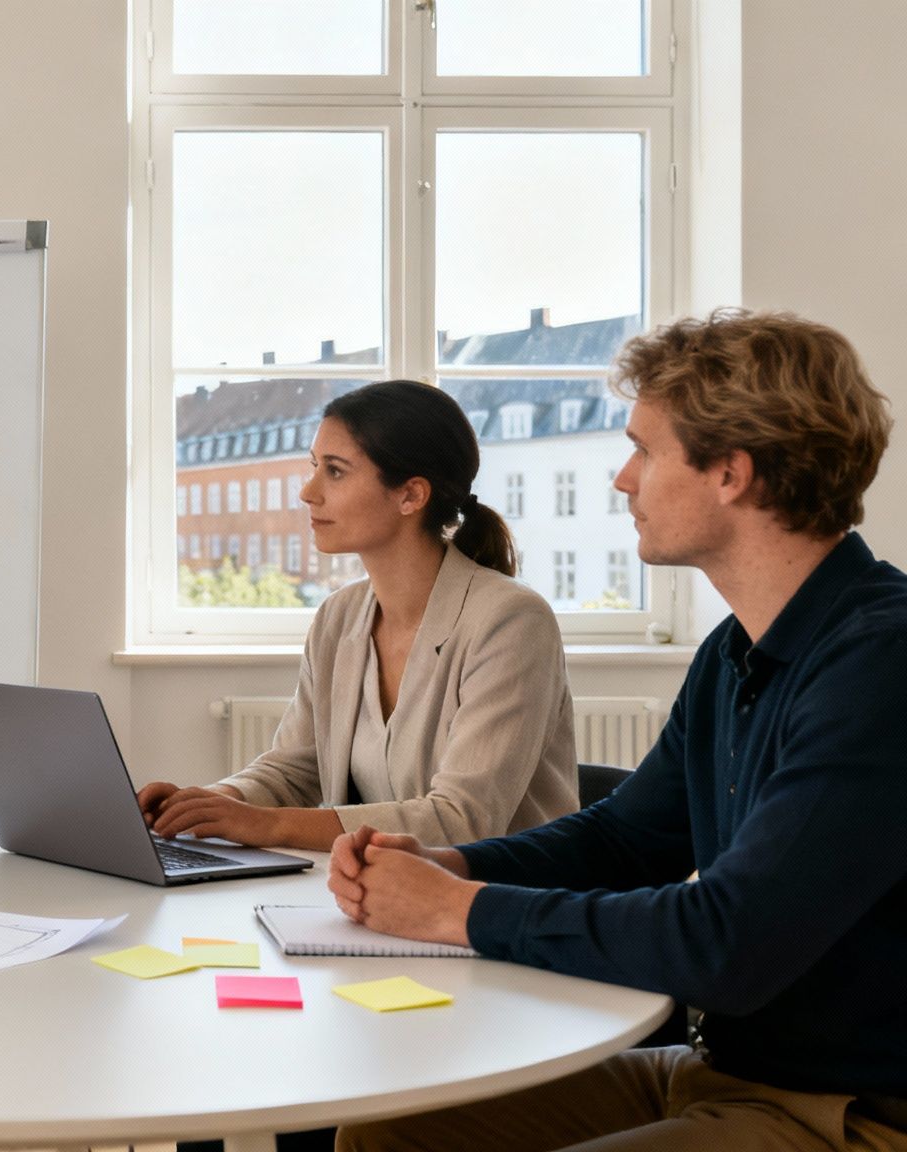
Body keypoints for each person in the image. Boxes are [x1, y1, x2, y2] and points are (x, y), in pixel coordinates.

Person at [330, 310, 907, 1152]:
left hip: (847, 1111)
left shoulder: (881, 664)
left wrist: (465, 909)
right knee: (386, 1132)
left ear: (731, 475)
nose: (622, 479)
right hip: (720, 1072)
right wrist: (449, 863)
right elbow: (628, 838)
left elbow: (727, 940)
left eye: (644, 449)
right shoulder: (736, 649)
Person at [138, 379, 578, 851]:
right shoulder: (339, 617)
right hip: (382, 898)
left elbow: (461, 820)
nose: (308, 492)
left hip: (502, 906)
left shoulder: (511, 621)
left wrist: (262, 824)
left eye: (336, 471)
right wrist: (209, 804)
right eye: (314, 467)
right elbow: (295, 769)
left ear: (411, 495)